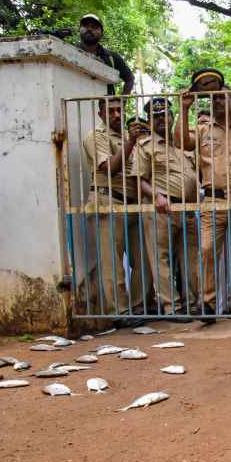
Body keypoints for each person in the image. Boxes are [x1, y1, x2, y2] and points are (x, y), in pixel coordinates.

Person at [176, 68, 231, 321]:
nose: (219, 101)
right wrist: (185, 108)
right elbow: (180, 143)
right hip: (212, 199)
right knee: (208, 250)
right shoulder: (201, 130)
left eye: (223, 97)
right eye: (214, 98)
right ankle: (208, 304)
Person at [136, 97, 200, 321]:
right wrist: (157, 195)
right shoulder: (145, 146)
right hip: (161, 208)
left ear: (172, 117)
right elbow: (139, 179)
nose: (162, 119)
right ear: (150, 121)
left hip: (187, 208)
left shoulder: (181, 144)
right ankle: (172, 307)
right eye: (156, 116)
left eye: (166, 115)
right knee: (161, 257)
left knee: (190, 257)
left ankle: (193, 303)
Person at [81, 98, 144, 327]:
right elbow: (109, 169)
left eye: (120, 110)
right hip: (108, 200)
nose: (117, 114)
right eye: (112, 111)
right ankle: (120, 311)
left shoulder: (127, 138)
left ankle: (139, 307)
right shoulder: (96, 136)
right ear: (101, 114)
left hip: (133, 203)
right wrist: (131, 142)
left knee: (143, 259)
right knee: (112, 261)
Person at [77, 14, 134, 96]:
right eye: (85, 26)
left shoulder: (112, 57)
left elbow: (130, 78)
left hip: (105, 108)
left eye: (94, 27)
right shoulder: (68, 50)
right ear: (79, 29)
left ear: (102, 33)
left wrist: (122, 101)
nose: (89, 29)